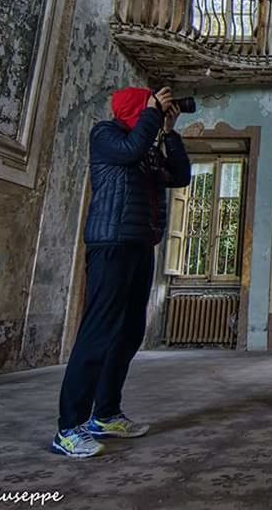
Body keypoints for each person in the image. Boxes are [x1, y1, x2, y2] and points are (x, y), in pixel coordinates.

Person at [52, 86, 192, 457]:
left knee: (129, 332)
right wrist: (151, 115)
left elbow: (179, 176)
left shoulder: (146, 146)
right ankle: (69, 427)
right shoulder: (106, 134)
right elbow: (129, 151)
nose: (157, 110)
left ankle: (106, 413)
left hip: (140, 245)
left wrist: (171, 130)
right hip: (110, 243)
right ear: (136, 107)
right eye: (152, 105)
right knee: (98, 333)